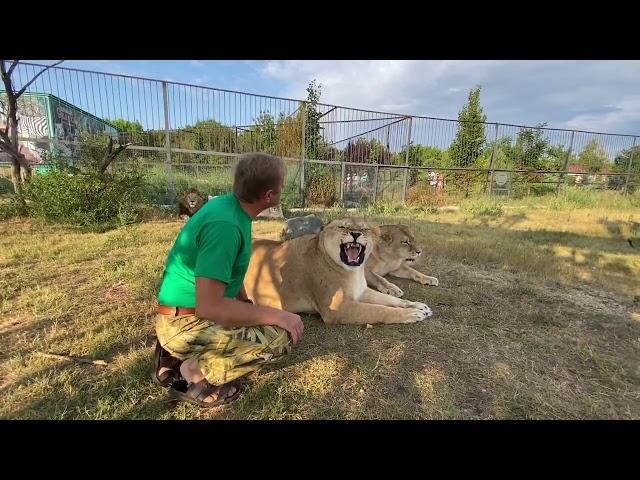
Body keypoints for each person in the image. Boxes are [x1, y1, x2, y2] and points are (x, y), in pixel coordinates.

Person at [152, 152, 304, 408]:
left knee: (266, 319)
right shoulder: (226, 227)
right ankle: (195, 372)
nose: (283, 189)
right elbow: (210, 307)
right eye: (281, 185)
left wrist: (246, 302)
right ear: (269, 196)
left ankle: (173, 356)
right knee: (280, 336)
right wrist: (279, 316)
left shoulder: (230, 207)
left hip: (185, 313)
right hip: (185, 323)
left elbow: (229, 272)